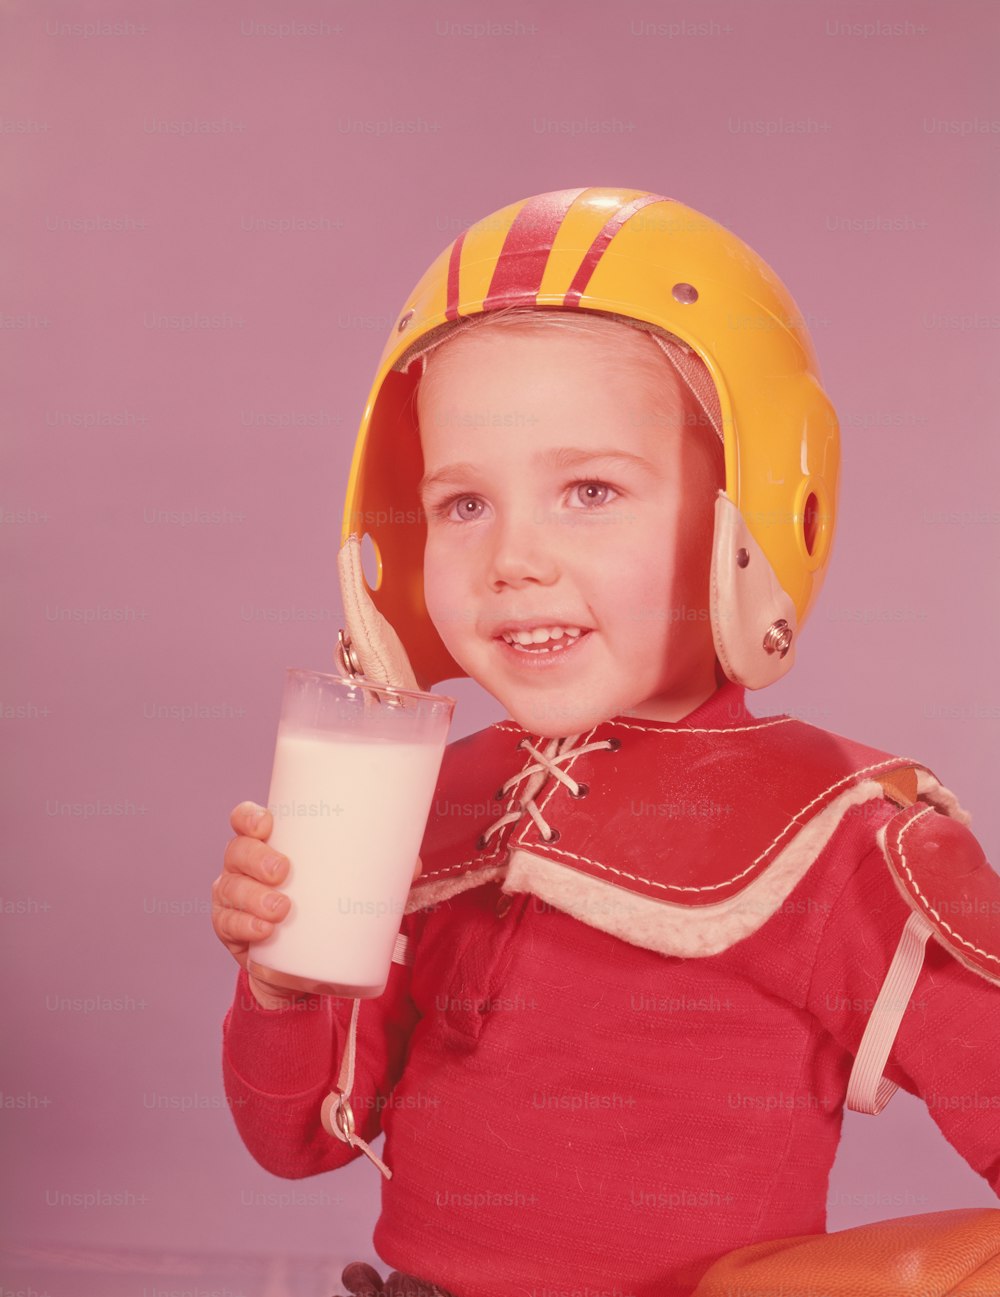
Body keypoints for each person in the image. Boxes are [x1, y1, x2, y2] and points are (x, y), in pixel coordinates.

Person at [212, 189, 1000, 1297]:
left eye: (589, 489)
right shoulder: (427, 798)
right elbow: (299, 1140)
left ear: (752, 512)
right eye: (462, 504)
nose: (512, 559)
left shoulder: (839, 835)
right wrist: (283, 985)